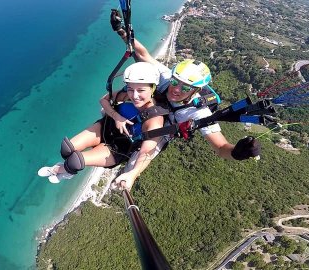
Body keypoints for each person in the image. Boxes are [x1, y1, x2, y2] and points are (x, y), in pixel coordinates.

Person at [110, 10, 261, 190]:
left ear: (196, 90)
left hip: (163, 130)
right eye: (175, 82)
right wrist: (121, 31)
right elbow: (142, 55)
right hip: (151, 112)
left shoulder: (199, 112)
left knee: (144, 154)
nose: (176, 89)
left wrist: (237, 153)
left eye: (185, 88)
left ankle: (128, 176)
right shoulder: (167, 78)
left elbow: (220, 148)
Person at [38, 62, 167, 187]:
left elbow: (146, 152)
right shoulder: (126, 95)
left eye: (141, 90)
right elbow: (104, 100)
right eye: (130, 89)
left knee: (75, 162)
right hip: (106, 127)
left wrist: (133, 174)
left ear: (153, 88)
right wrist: (117, 116)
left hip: (118, 148)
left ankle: (59, 170)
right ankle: (67, 170)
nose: (135, 95)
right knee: (66, 149)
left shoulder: (154, 119)